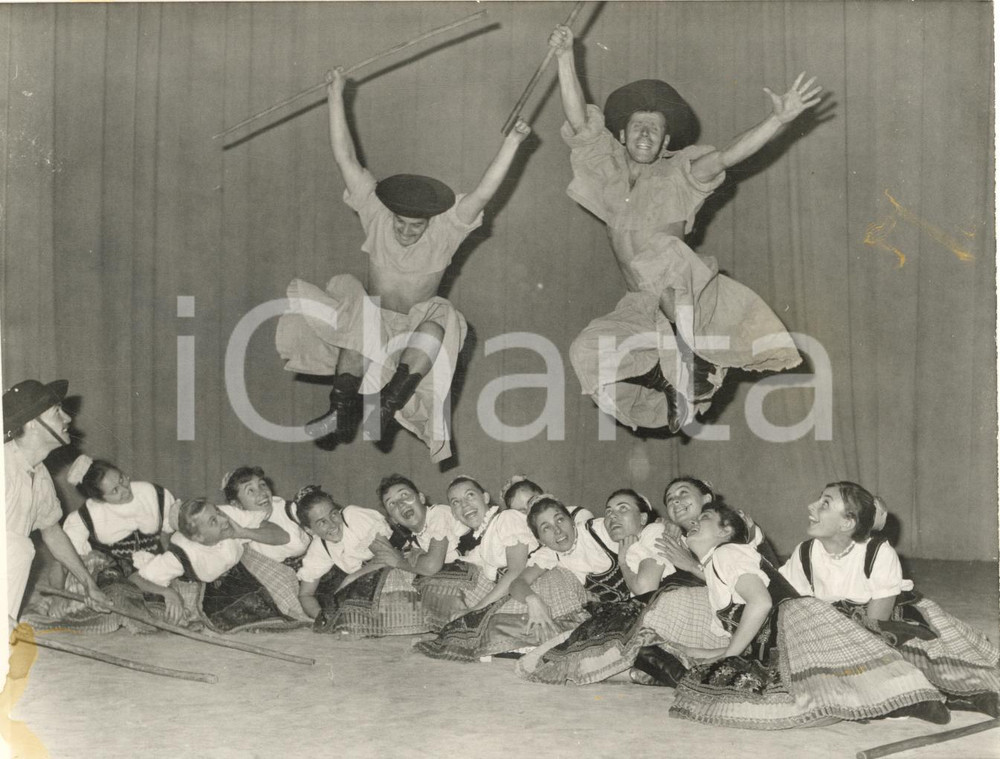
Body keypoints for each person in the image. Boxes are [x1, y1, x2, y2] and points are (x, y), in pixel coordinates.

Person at [548, 24, 820, 433]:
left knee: (661, 253)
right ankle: (666, 382)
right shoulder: (607, 172)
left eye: (654, 129)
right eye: (638, 126)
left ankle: (699, 355)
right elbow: (580, 123)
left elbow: (727, 155)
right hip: (642, 302)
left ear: (665, 141)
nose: (644, 133)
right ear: (621, 135)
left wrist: (777, 121)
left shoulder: (679, 173)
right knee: (586, 350)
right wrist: (565, 55)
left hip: (681, 290)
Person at [276, 67, 532, 461]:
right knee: (362, 309)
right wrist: (335, 95)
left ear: (429, 220)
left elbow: (482, 193)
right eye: (401, 223)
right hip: (372, 326)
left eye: (417, 226)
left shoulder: (446, 229)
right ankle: (340, 408)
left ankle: (389, 404)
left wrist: (513, 142)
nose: (408, 232)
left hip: (414, 331)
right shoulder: (377, 213)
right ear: (390, 213)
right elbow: (346, 159)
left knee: (441, 317)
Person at [669, 503, 948, 729]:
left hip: (797, 627)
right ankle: (882, 698)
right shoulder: (721, 564)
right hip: (788, 635)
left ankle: (899, 696)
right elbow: (751, 632)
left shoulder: (726, 553)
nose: (694, 522)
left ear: (726, 530)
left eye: (704, 517)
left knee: (718, 688)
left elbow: (761, 604)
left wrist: (728, 654)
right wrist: (708, 651)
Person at [779, 481, 1000, 717]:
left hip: (880, 627)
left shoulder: (878, 553)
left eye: (824, 504)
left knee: (929, 652)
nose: (811, 506)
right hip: (834, 627)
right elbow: (787, 599)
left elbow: (877, 626)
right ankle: (905, 699)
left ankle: (973, 692)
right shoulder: (805, 553)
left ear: (847, 523)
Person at [516, 489, 703, 685]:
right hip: (625, 618)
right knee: (551, 659)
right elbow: (518, 582)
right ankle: (637, 674)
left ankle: (665, 670)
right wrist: (532, 600)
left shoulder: (601, 529)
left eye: (560, 520)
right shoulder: (549, 555)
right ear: (539, 540)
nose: (558, 531)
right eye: (546, 528)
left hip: (650, 608)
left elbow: (638, 529)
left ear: (571, 519)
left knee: (581, 649)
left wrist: (664, 524)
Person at [3, 379, 110, 620]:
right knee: (19, 548)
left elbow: (52, 532)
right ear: (32, 424)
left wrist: (89, 585)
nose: (68, 418)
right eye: (56, 412)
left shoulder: (38, 472)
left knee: (18, 548)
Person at [130, 498, 304, 632]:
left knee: (287, 590)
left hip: (241, 567)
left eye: (218, 512)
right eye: (213, 521)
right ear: (198, 538)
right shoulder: (181, 554)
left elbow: (282, 536)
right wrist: (168, 593)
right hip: (203, 584)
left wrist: (242, 532)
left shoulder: (229, 516)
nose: (223, 520)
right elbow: (135, 579)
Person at [293, 485, 428, 637]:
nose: (332, 524)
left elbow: (386, 557)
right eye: (321, 522)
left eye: (333, 514)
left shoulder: (352, 516)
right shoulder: (320, 547)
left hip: (402, 562)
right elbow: (305, 594)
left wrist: (350, 580)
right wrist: (322, 616)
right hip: (370, 581)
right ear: (310, 530)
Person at [368, 474, 491, 629]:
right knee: (395, 575)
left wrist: (398, 561)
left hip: (486, 581)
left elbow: (432, 565)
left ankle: (460, 625)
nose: (400, 504)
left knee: (417, 574)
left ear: (421, 498)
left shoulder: (438, 514)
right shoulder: (414, 539)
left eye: (404, 495)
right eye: (392, 504)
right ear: (393, 519)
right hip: (469, 588)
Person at [220, 466, 311, 620]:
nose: (262, 493)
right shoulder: (239, 520)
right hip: (276, 587)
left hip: (314, 580)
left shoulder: (291, 509)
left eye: (262, 485)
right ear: (237, 505)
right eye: (251, 490)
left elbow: (283, 537)